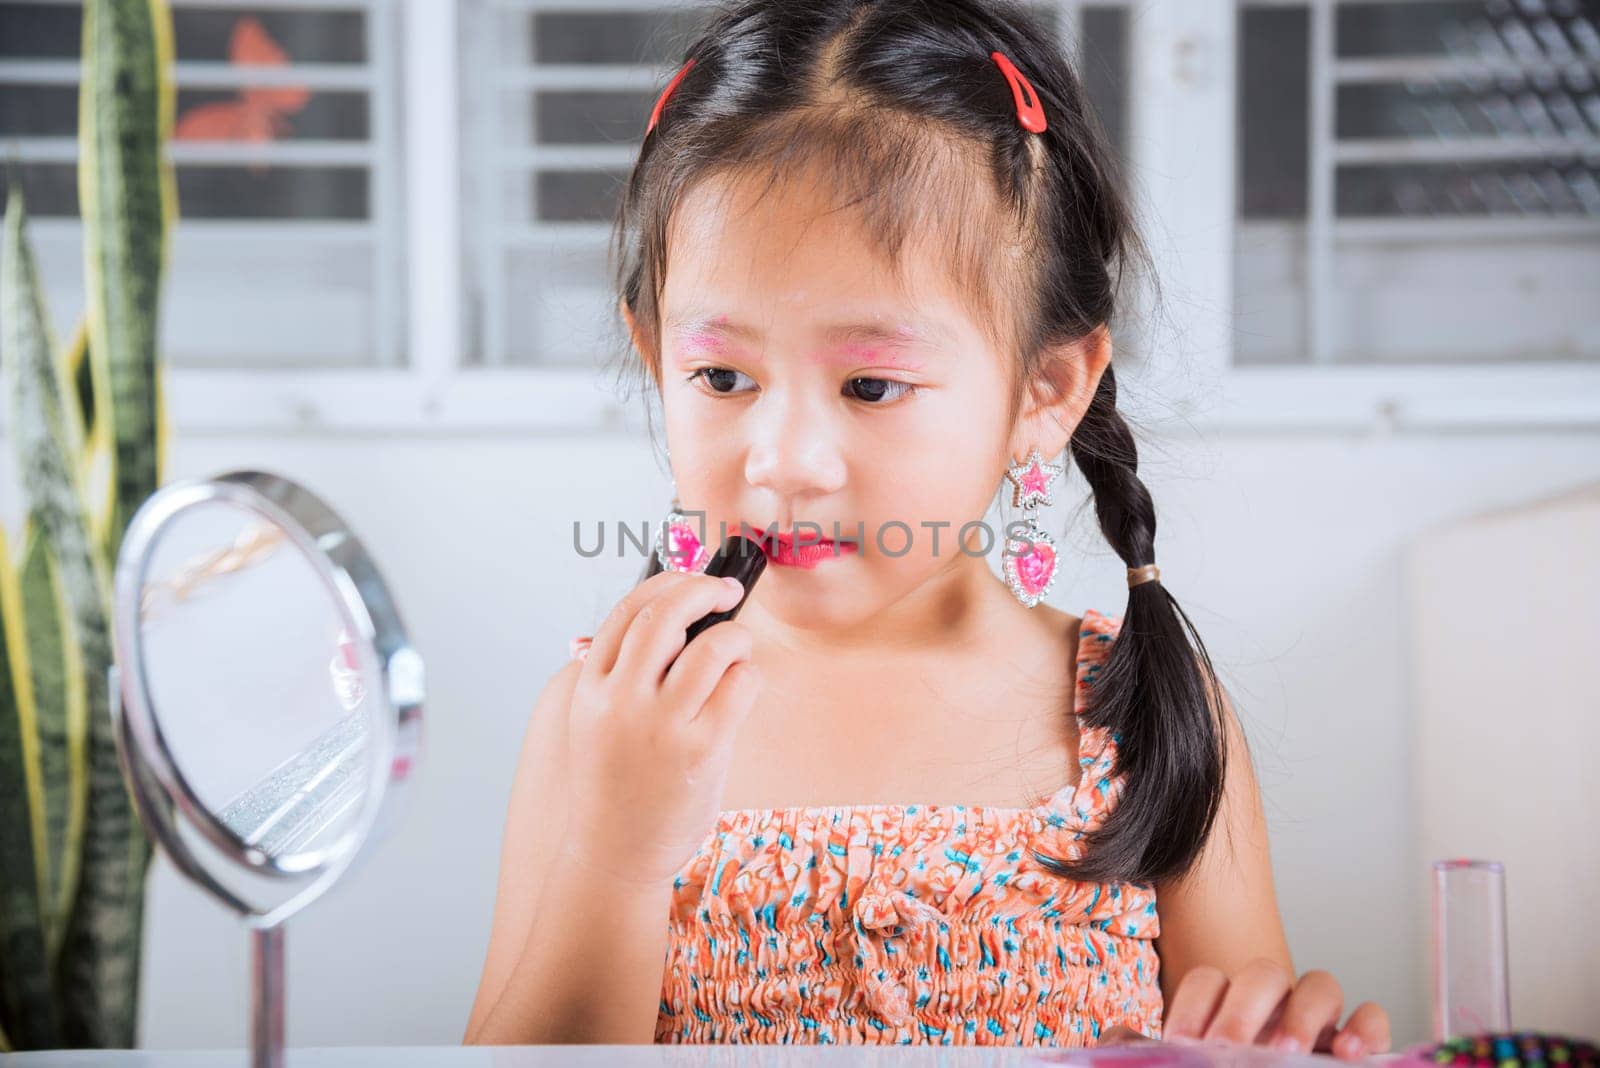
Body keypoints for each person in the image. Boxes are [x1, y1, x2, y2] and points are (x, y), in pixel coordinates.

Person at [465, 0, 1392, 1051]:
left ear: (1045, 391)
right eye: (722, 376)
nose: (784, 461)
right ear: (654, 354)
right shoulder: (604, 723)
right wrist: (616, 856)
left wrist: (1280, 1044)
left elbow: (1238, 1032)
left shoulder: (1145, 718)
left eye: (870, 385)